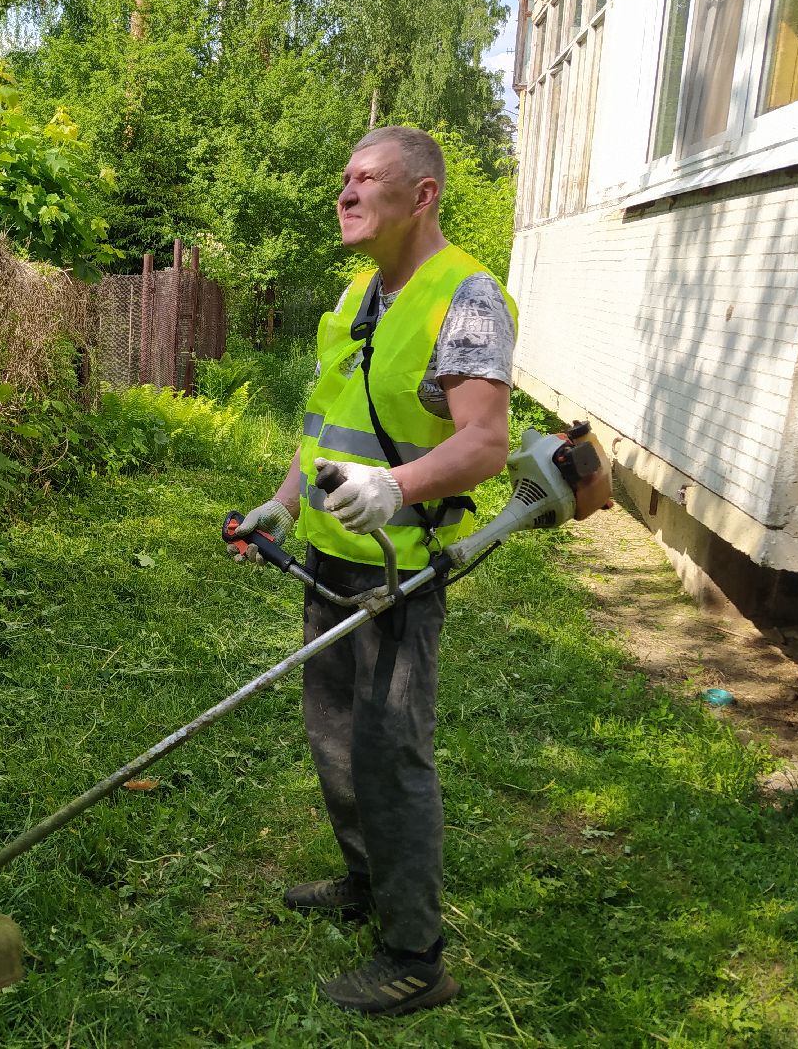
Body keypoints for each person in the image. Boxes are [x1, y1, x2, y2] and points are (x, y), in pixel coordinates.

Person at [231, 126, 517, 1015]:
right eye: (343, 178)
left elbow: (485, 440)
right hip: (326, 560)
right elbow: (321, 427)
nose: (346, 194)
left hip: (400, 572)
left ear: (421, 194)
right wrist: (282, 500)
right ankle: (368, 882)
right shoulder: (358, 297)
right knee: (335, 739)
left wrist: (396, 489)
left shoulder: (464, 297)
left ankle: (415, 956)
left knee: (391, 754)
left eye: (366, 179)